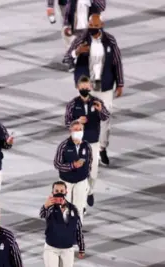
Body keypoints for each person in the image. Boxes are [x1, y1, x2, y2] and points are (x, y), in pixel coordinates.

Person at [64, 13, 123, 166]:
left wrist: (120, 83)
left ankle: (102, 147)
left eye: (95, 28)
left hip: (105, 86)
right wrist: (76, 52)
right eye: (91, 27)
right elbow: (66, 59)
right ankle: (84, 150)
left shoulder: (110, 41)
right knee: (85, 118)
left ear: (101, 26)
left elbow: (117, 62)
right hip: (87, 87)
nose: (93, 30)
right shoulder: (81, 39)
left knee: (105, 117)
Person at [40, 181, 85, 267]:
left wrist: (81, 246)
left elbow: (78, 228)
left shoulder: (73, 209)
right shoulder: (50, 208)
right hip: (51, 248)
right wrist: (46, 205)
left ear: (66, 192)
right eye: (56, 190)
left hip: (67, 249)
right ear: (52, 192)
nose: (59, 192)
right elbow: (42, 214)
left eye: (61, 190)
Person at [64, 75, 109, 209]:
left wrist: (101, 110)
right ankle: (82, 200)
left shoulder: (96, 102)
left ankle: (90, 190)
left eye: (86, 86)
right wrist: (77, 121)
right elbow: (67, 123)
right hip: (78, 143)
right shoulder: (72, 104)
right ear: (78, 87)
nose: (84, 88)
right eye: (82, 87)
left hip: (93, 142)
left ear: (90, 87)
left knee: (93, 172)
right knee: (81, 172)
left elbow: (106, 117)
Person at [54, 121, 92, 218]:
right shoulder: (63, 146)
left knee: (78, 209)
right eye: (76, 129)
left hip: (81, 181)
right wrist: (72, 166)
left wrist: (86, 178)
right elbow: (57, 164)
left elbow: (90, 162)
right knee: (64, 209)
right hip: (66, 182)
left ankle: (77, 231)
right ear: (70, 131)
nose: (79, 131)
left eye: (80, 129)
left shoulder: (87, 146)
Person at [62, 0, 106, 68]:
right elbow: (68, 8)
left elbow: (102, 7)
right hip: (78, 24)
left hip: (93, 24)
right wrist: (66, 25)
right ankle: (71, 58)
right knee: (78, 41)